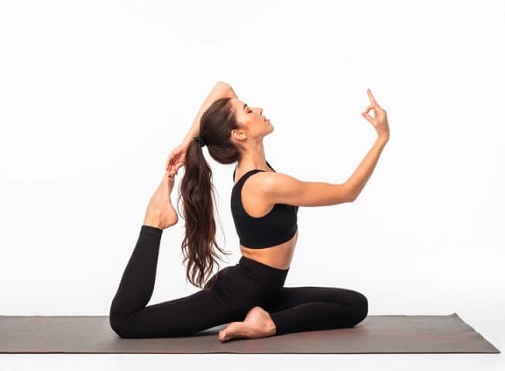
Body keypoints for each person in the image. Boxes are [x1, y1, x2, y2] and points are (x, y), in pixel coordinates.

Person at [109, 81, 389, 342]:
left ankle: (264, 319)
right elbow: (347, 192)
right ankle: (154, 219)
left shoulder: (256, 170)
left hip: (263, 291)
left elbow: (222, 87)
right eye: (248, 110)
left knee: (354, 304)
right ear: (239, 134)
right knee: (126, 321)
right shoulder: (263, 184)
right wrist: (381, 137)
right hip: (238, 296)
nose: (259, 109)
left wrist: (186, 142)